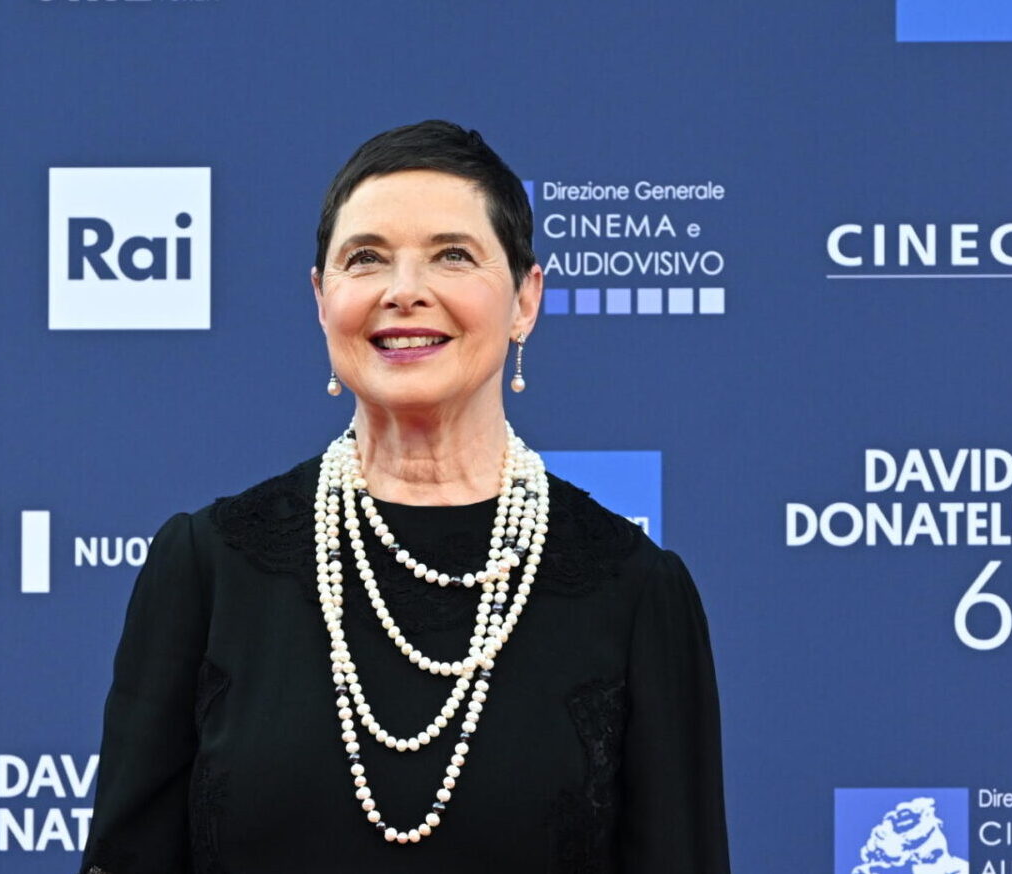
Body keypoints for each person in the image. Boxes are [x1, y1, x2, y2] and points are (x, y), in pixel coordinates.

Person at [78, 120, 731, 873]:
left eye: (452, 255)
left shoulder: (634, 591)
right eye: (366, 259)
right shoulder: (206, 568)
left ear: (525, 299)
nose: (404, 291)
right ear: (322, 299)